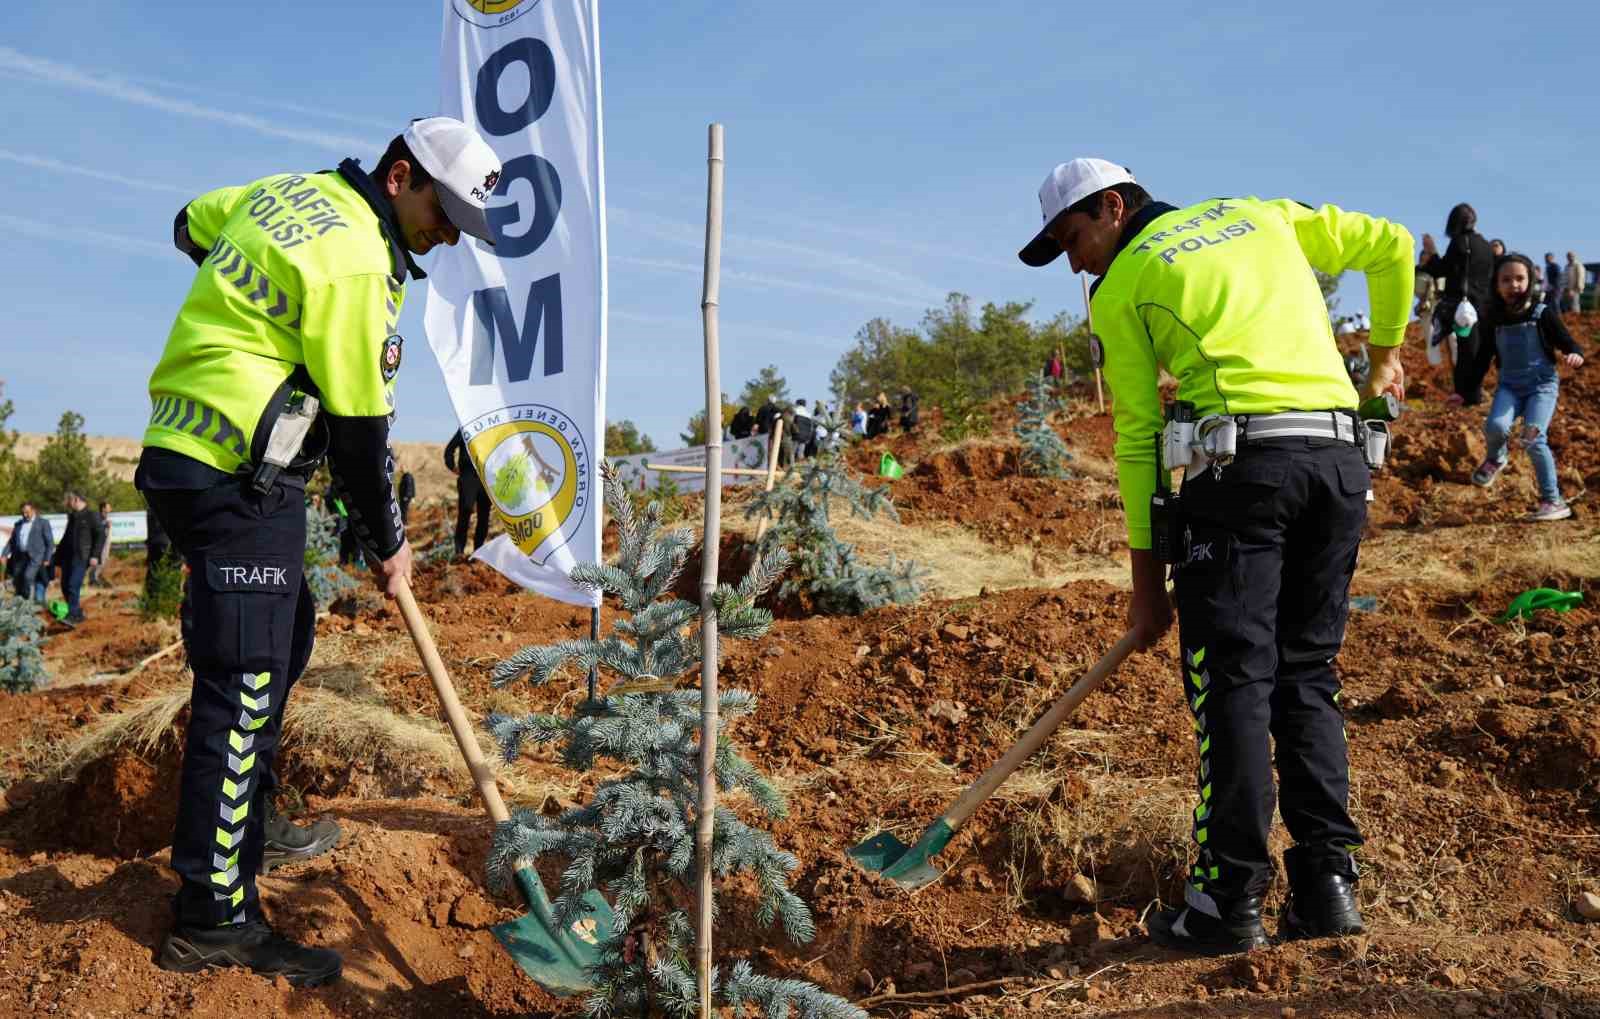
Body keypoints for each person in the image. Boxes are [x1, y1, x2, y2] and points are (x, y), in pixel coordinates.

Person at [135, 115, 499, 986]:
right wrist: (389, 541)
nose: (444, 234)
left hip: (189, 453)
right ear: (401, 174)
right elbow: (360, 428)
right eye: (441, 212)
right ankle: (212, 916)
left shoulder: (284, 194)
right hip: (239, 470)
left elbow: (191, 221)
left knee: (281, 636)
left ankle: (251, 826)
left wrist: (250, 317)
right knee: (248, 676)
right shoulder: (358, 261)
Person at [1018, 157, 1410, 954]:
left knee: (1233, 680)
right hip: (1338, 466)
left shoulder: (1123, 285)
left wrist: (1143, 584)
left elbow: (1135, 437)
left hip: (1240, 477)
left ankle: (1228, 898)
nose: (1075, 262)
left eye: (1074, 237)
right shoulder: (1257, 211)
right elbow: (1394, 245)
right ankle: (1328, 889)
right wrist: (1384, 358)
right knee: (1306, 672)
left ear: (1115, 209)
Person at [1462, 253, 1585, 521]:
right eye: (1506, 280)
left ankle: (1553, 501)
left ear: (1530, 280)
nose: (1514, 284)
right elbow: (1482, 359)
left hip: (1541, 386)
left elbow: (1568, 342)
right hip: (1509, 386)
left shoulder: (1542, 313)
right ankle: (1496, 457)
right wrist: (1464, 391)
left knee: (1532, 438)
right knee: (1495, 426)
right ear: (1496, 284)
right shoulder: (1493, 320)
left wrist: (1574, 354)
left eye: (1520, 278)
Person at [1418, 205, 1493, 405]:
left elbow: (1442, 270)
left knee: (1465, 349)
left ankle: (1465, 394)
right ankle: (1472, 393)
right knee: (1476, 350)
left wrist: (1431, 252)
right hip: (1481, 306)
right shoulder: (1485, 245)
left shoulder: (1459, 243)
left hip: (1462, 309)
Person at [52, 492, 104, 625]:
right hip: (68, 558)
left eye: (69, 500)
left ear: (76, 500)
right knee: (64, 586)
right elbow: (65, 539)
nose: (68, 503)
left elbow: (100, 536)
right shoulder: (73, 517)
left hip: (82, 557)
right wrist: (56, 558)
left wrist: (95, 555)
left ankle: (73, 615)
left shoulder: (92, 515)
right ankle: (78, 614)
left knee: (73, 585)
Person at [444, 429, 492, 558]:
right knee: (465, 510)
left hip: (486, 478)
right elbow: (449, 450)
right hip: (468, 477)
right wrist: (453, 467)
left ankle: (479, 551)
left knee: (484, 516)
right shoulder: (466, 427)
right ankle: (459, 551)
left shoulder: (492, 427)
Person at [3, 501, 54, 602]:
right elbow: (12, 541)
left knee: (27, 576)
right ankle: (19, 600)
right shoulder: (18, 524)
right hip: (20, 556)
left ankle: (26, 600)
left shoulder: (43, 523)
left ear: (33, 510)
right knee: (17, 579)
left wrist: (47, 558)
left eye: (27, 512)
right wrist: (4, 554)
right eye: (23, 513)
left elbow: (49, 542)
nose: (25, 515)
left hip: (36, 556)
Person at [89, 500, 114, 587]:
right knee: (100, 560)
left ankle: (95, 578)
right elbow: (97, 529)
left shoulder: (105, 517)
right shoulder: (98, 517)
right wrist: (105, 525)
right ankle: (93, 580)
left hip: (105, 543)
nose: (110, 508)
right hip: (99, 543)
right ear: (103, 508)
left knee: (104, 560)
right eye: (108, 506)